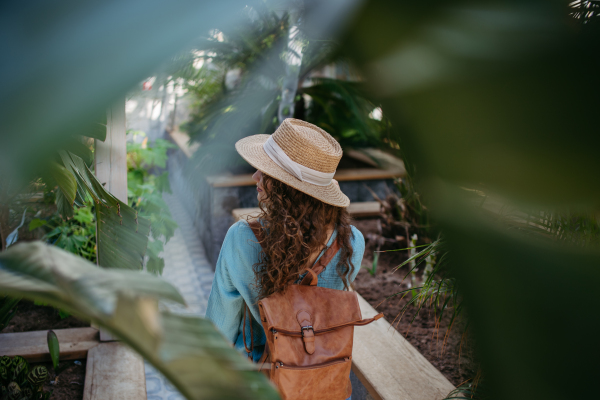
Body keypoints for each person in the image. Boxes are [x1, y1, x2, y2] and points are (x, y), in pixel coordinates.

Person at [206, 118, 364, 398]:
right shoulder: (352, 242)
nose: (255, 176)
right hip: (325, 384)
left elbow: (219, 330)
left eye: (266, 171)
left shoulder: (241, 238)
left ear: (285, 188)